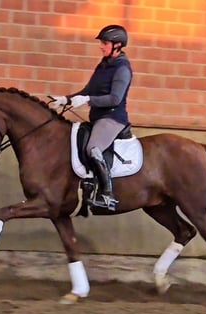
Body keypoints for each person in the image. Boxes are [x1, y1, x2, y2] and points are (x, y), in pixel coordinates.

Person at [50, 24, 133, 211]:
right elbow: (88, 91)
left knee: (93, 148)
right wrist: (66, 99)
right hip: (96, 117)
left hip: (112, 119)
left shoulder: (122, 69)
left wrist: (87, 99)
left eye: (105, 43)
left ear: (117, 45)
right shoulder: (103, 65)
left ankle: (107, 194)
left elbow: (115, 98)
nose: (101, 46)